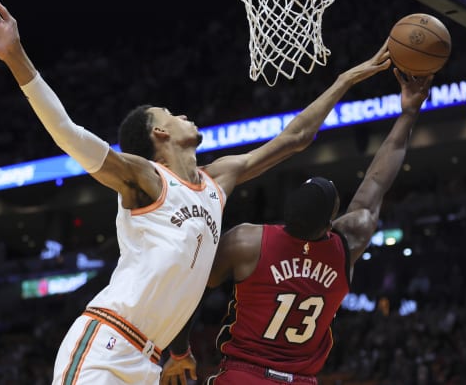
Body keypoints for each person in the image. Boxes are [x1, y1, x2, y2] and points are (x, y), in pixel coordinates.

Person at [0, 0, 391, 385]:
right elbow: (67, 133)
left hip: (149, 361)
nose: (184, 114)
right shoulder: (146, 178)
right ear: (159, 133)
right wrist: (15, 56)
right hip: (107, 343)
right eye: (171, 113)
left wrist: (347, 78)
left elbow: (295, 138)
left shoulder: (218, 180)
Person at [161, 70, 433, 385]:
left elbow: (189, 290)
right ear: (331, 223)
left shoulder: (247, 241)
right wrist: (409, 113)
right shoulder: (347, 243)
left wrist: (179, 351)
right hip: (300, 379)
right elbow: (376, 181)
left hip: (243, 376)